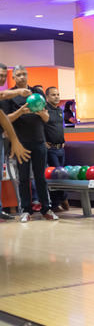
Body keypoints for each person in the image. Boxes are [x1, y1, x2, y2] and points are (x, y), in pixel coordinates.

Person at [1, 66, 57, 221]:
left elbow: (46, 119)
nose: (22, 77)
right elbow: (7, 119)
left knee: (41, 177)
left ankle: (47, 209)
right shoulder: (10, 96)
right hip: (21, 143)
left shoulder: (37, 93)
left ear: (27, 75)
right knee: (24, 178)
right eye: (18, 75)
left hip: (39, 141)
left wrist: (40, 113)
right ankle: (26, 210)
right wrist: (22, 111)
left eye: (24, 74)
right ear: (13, 78)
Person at [0, 63, 32, 219]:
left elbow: (2, 118)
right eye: (0, 75)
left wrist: (14, 140)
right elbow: (4, 97)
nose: (2, 78)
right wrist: (18, 92)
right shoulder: (5, 95)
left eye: (4, 75)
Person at [43, 86, 70, 210]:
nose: (57, 97)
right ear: (47, 97)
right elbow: (40, 127)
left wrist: (63, 140)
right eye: (53, 95)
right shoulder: (44, 110)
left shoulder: (60, 110)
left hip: (61, 149)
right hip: (51, 149)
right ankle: (57, 202)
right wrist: (44, 141)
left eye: (58, 94)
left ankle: (60, 200)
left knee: (62, 176)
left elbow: (60, 127)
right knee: (56, 176)